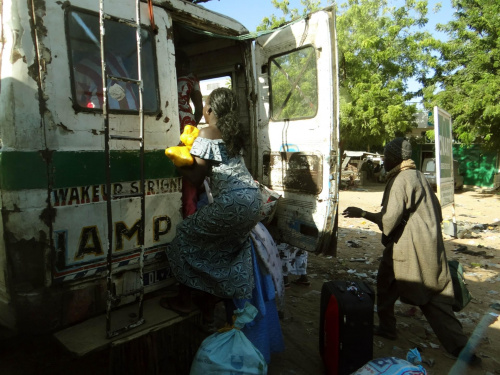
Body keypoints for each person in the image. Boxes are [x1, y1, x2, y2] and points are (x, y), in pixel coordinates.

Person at [342, 137, 480, 366]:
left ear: (396, 158)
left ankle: (460, 349)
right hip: (420, 244)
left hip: (410, 248)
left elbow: (388, 221)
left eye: (386, 157)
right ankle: (388, 327)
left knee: (429, 295)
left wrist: (363, 213)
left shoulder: (401, 180)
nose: (383, 161)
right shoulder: (417, 176)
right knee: (386, 282)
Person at [161, 87, 263, 325]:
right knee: (219, 251)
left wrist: (175, 160)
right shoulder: (233, 135)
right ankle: (207, 313)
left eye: (205, 107)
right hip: (254, 200)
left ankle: (185, 300)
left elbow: (196, 177)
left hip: (232, 201)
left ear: (208, 109)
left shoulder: (206, 132)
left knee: (184, 238)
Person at [175, 49, 204, 218]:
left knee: (173, 158)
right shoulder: (192, 78)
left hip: (168, 118)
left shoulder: (166, 74)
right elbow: (199, 108)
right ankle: (190, 210)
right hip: (186, 121)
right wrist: (192, 123)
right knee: (189, 161)